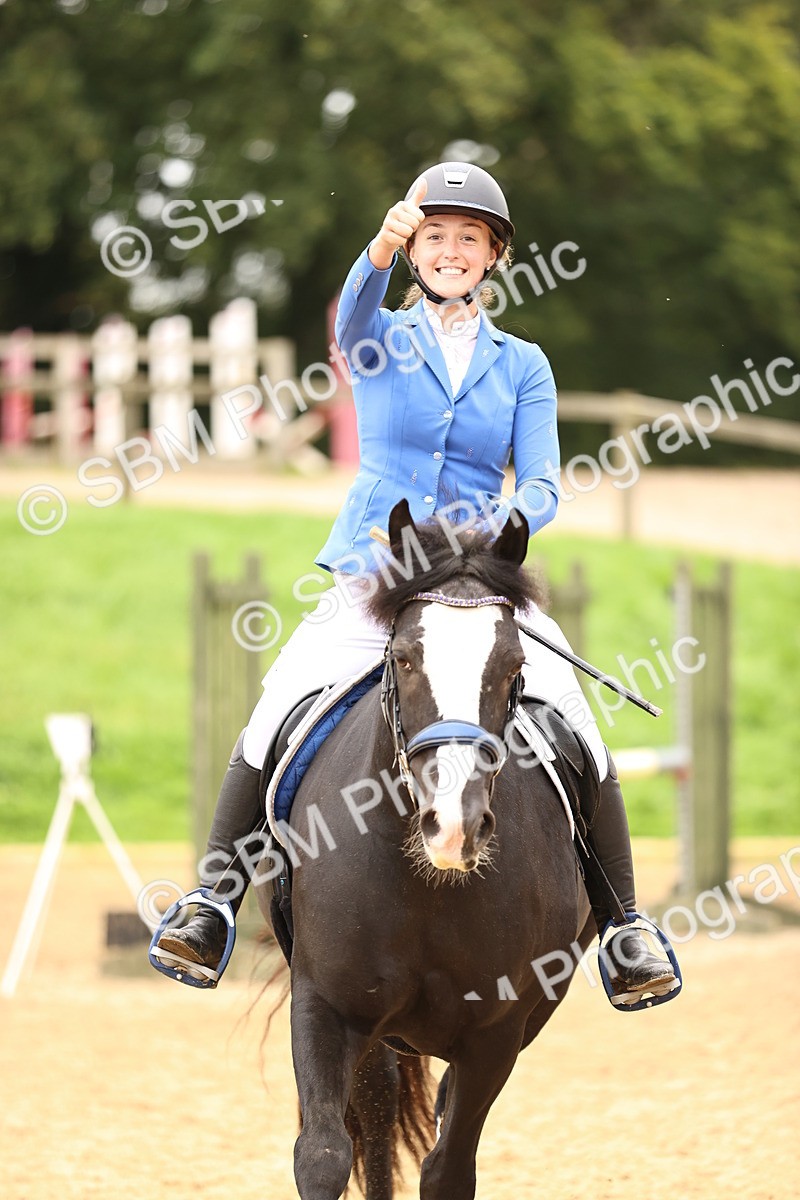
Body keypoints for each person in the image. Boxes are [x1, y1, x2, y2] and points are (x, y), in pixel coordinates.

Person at [157, 161, 677, 1001]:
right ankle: (211, 901)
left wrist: (504, 528)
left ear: (494, 256)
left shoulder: (523, 365)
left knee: (582, 720)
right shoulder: (381, 338)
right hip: (377, 570)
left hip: (475, 585)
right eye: (435, 237)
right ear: (415, 249)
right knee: (273, 707)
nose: (450, 250)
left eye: (468, 239)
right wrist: (377, 249)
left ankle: (624, 925)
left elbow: (543, 478)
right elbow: (355, 306)